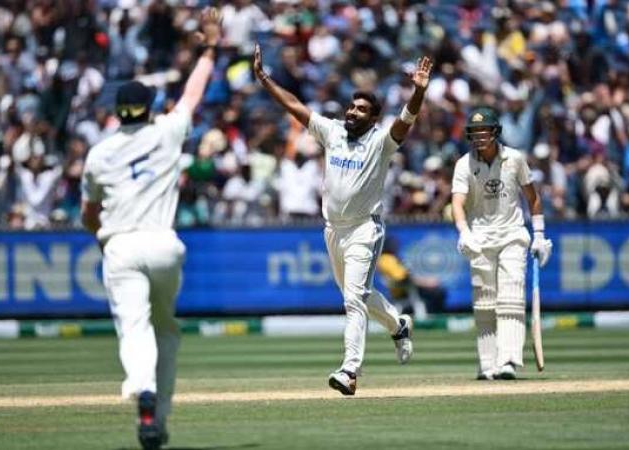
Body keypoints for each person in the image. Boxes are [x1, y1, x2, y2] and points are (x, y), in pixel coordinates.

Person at [254, 44, 433, 395]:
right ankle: (398, 326)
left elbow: (406, 120)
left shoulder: (382, 142)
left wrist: (419, 91)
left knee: (353, 301)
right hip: (333, 230)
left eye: (362, 110)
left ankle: (350, 371)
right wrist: (264, 79)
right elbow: (295, 107)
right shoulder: (333, 132)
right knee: (358, 296)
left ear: (373, 118)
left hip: (364, 229)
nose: (352, 112)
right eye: (352, 106)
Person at [80, 8, 220, 450]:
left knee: (134, 328)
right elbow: (194, 93)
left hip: (121, 246)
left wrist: (100, 238)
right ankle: (156, 421)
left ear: (117, 112)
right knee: (166, 330)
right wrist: (210, 47)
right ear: (149, 108)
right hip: (165, 245)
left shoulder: (99, 154)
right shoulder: (166, 132)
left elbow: (89, 212)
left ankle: (142, 390)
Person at [451, 106, 553, 381]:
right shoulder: (464, 163)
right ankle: (487, 364)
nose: (479, 136)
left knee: (511, 297)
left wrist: (540, 234)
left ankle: (508, 360)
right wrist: (464, 232)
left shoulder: (515, 158)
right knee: (484, 302)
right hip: (480, 238)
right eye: (474, 132)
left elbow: (533, 197)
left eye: (484, 131)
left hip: (512, 235)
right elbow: (457, 202)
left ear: (495, 132)